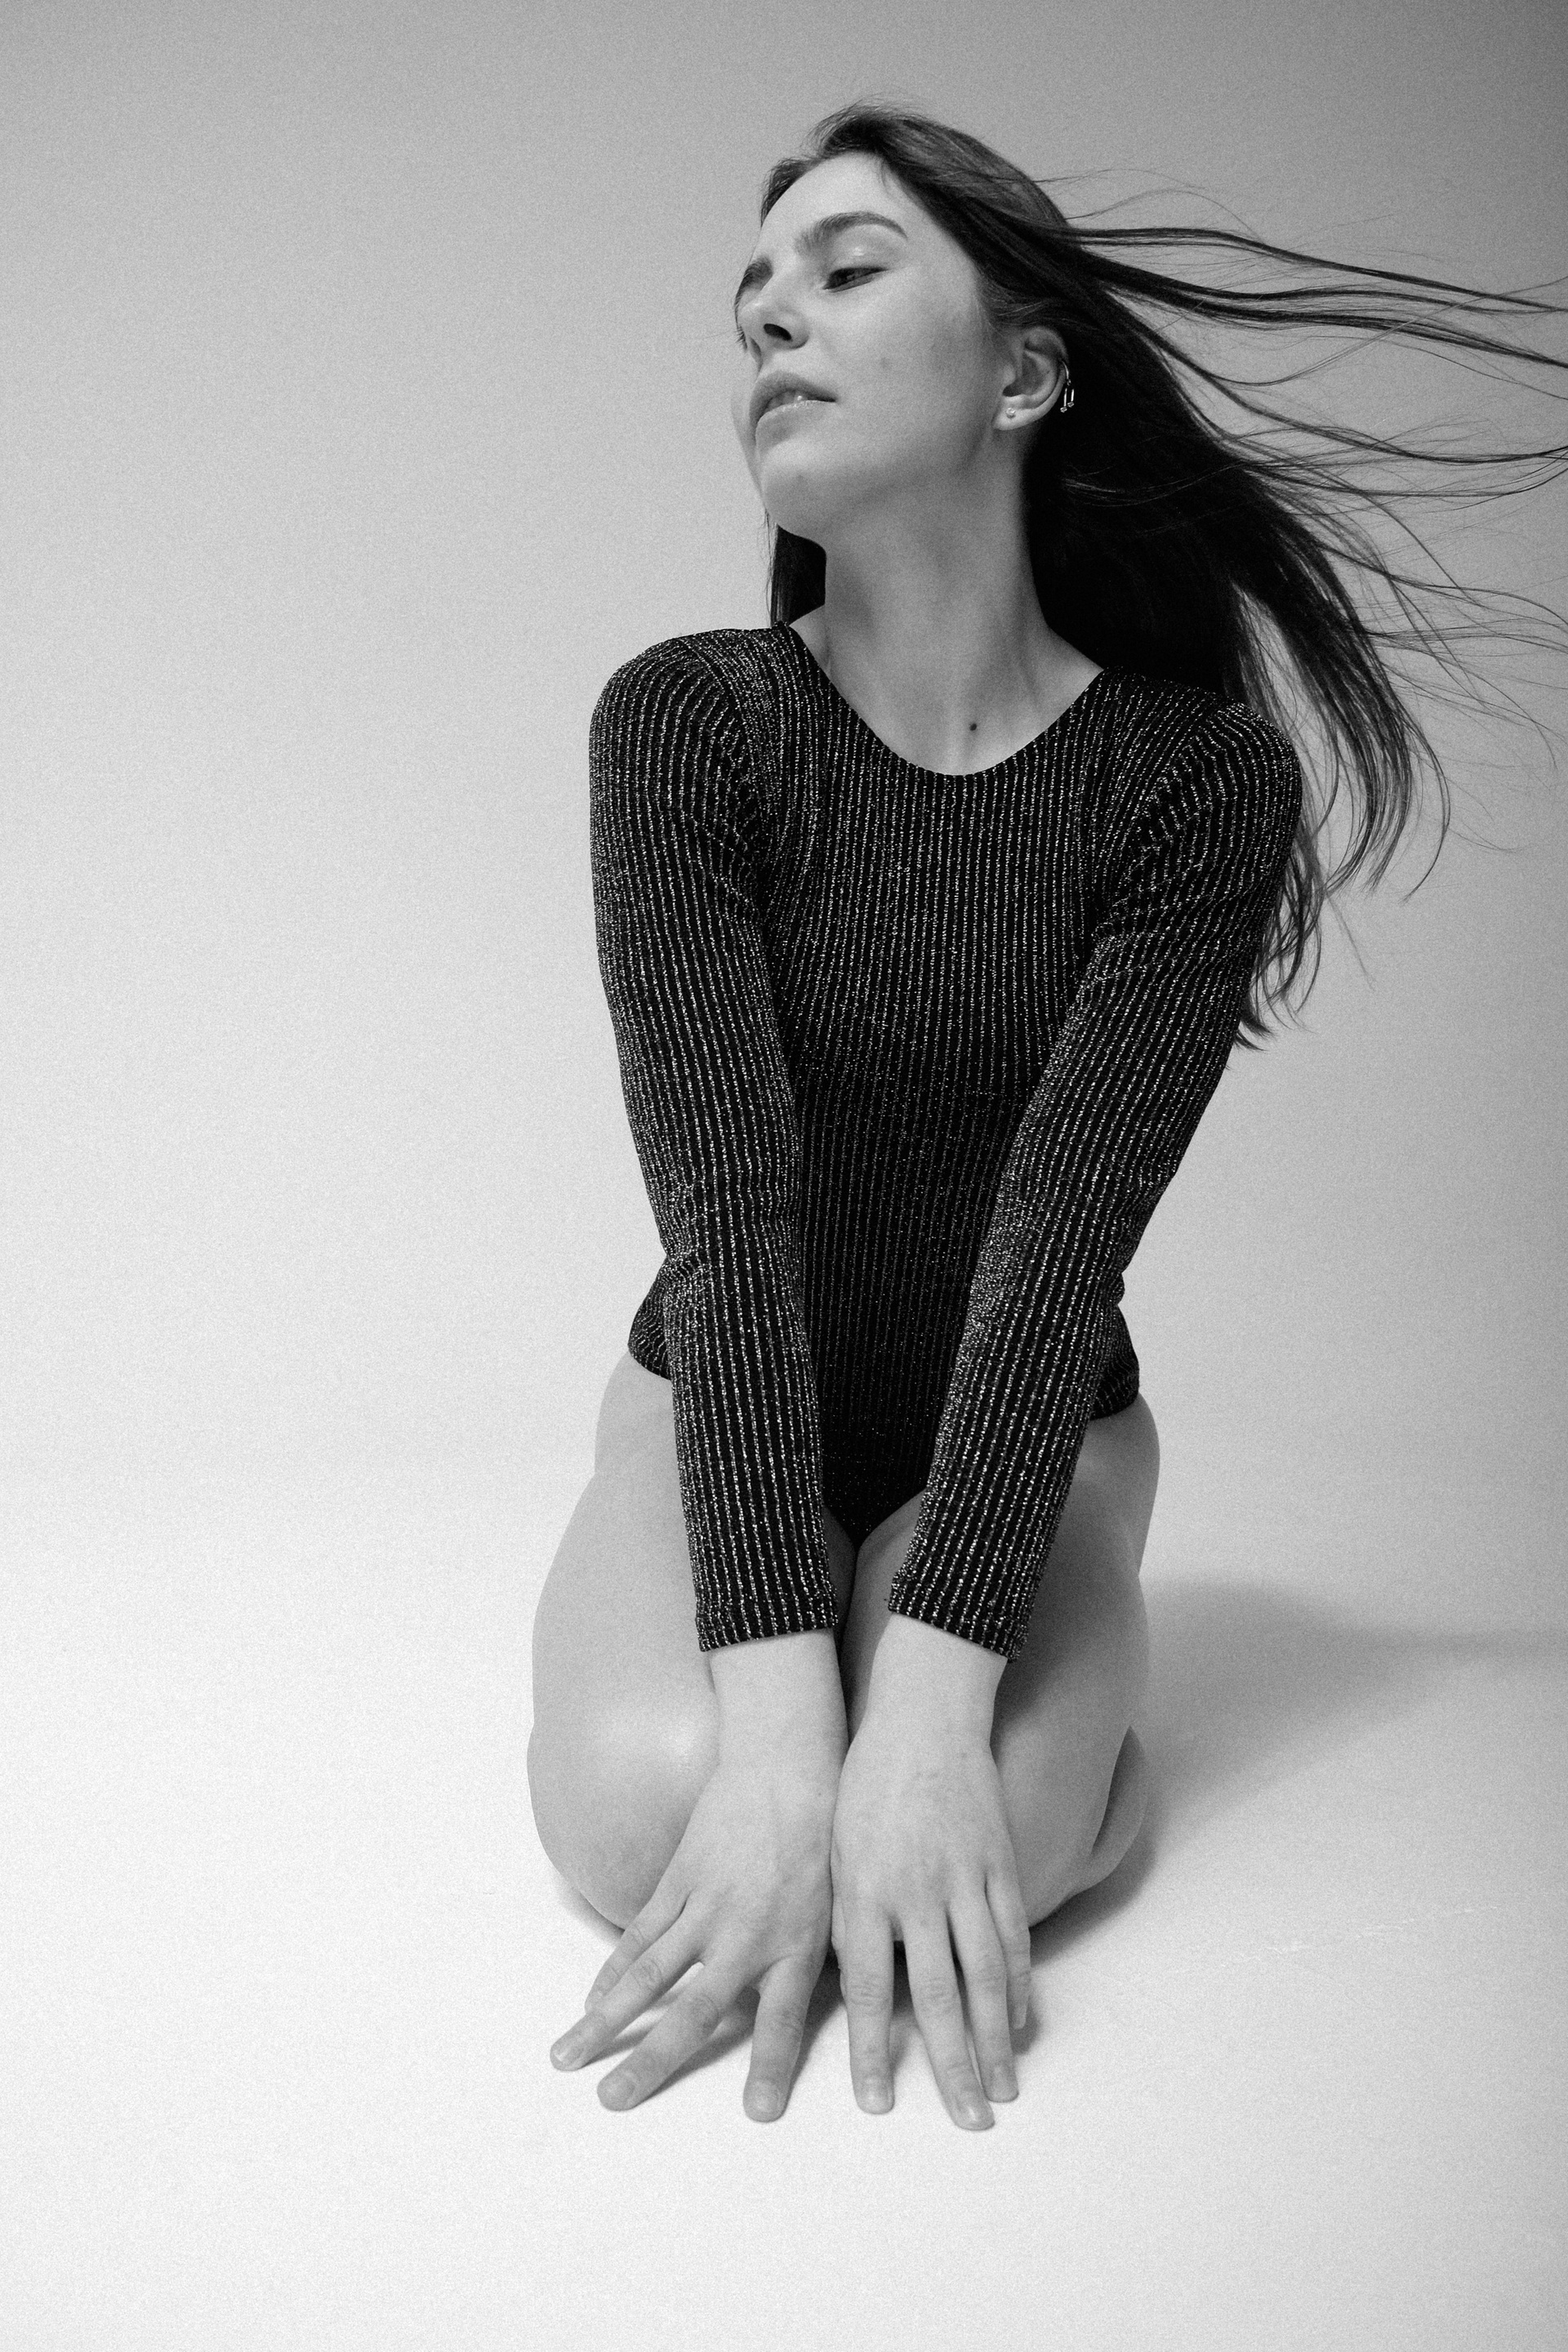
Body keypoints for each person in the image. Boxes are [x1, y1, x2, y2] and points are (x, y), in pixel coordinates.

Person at [528, 102, 1566, 2129]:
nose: (774, 324)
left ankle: (1084, 1751)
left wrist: (924, 1714)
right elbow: (729, 1223)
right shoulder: (687, 724)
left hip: (1032, 1421)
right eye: (752, 306)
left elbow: (1056, 1253)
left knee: (985, 1833)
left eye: (846, 271)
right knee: (658, 1824)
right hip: (717, 1386)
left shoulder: (1195, 787)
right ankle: (854, 1695)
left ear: (1023, 372)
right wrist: (781, 1723)